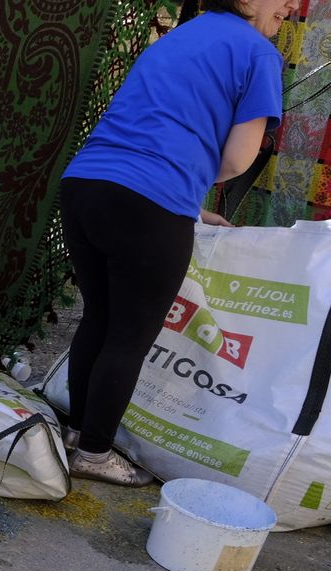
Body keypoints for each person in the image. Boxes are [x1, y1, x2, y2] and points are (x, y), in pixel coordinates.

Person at [58, 0, 290, 486]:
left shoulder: (185, 35)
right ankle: (96, 454)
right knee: (128, 338)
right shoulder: (259, 53)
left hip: (86, 185)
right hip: (150, 201)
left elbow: (152, 129)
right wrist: (180, 196)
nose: (293, 5)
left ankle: (77, 434)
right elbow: (236, 159)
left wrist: (190, 205)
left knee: (98, 319)